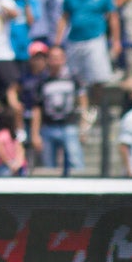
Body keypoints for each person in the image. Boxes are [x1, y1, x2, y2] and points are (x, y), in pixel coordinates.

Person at [55, 0, 120, 108]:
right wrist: (57, 41)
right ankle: (81, 109)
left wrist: (116, 41)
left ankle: (95, 108)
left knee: (98, 78)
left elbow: (113, 17)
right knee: (76, 79)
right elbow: (64, 17)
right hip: (74, 40)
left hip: (95, 39)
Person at [30, 45, 88, 175]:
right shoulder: (42, 81)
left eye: (58, 57)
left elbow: (83, 103)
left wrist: (84, 127)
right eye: (52, 58)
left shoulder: (73, 78)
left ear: (64, 58)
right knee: (49, 168)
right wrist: (35, 134)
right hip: (48, 127)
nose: (55, 61)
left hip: (70, 126)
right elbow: (37, 109)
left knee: (76, 163)